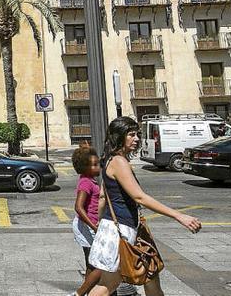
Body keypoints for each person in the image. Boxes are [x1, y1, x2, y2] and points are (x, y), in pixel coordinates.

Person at [88, 117, 202, 296]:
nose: (136, 139)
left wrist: (100, 224)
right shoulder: (119, 162)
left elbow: (103, 195)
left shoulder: (111, 160)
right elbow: (139, 196)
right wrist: (179, 216)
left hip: (125, 228)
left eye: (137, 134)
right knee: (108, 285)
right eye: (131, 134)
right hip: (121, 231)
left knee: (151, 272)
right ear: (119, 136)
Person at [70, 143, 103, 295]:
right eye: (94, 165)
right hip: (87, 226)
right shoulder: (85, 182)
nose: (98, 167)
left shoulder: (90, 180)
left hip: (91, 224)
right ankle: (80, 293)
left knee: (91, 264)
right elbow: (78, 207)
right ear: (85, 167)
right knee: (98, 264)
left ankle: (88, 292)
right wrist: (94, 227)